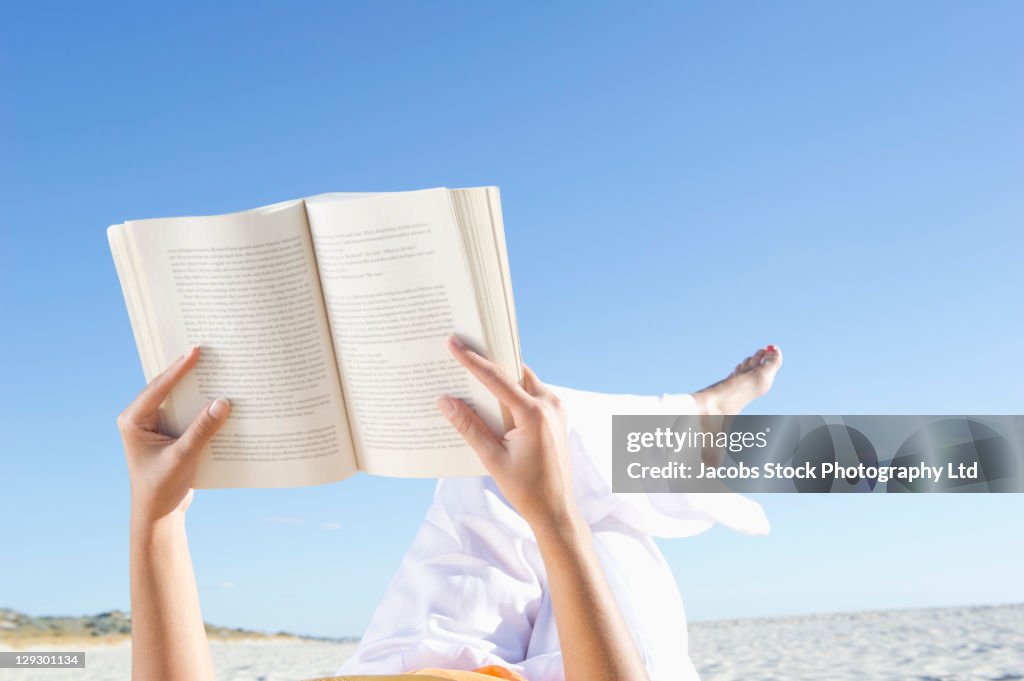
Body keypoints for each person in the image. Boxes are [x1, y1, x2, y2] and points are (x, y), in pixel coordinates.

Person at [118, 337, 782, 681]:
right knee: (601, 524)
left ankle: (690, 423)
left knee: (493, 446)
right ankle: (696, 422)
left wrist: (157, 511)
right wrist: (554, 519)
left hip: (408, 665)